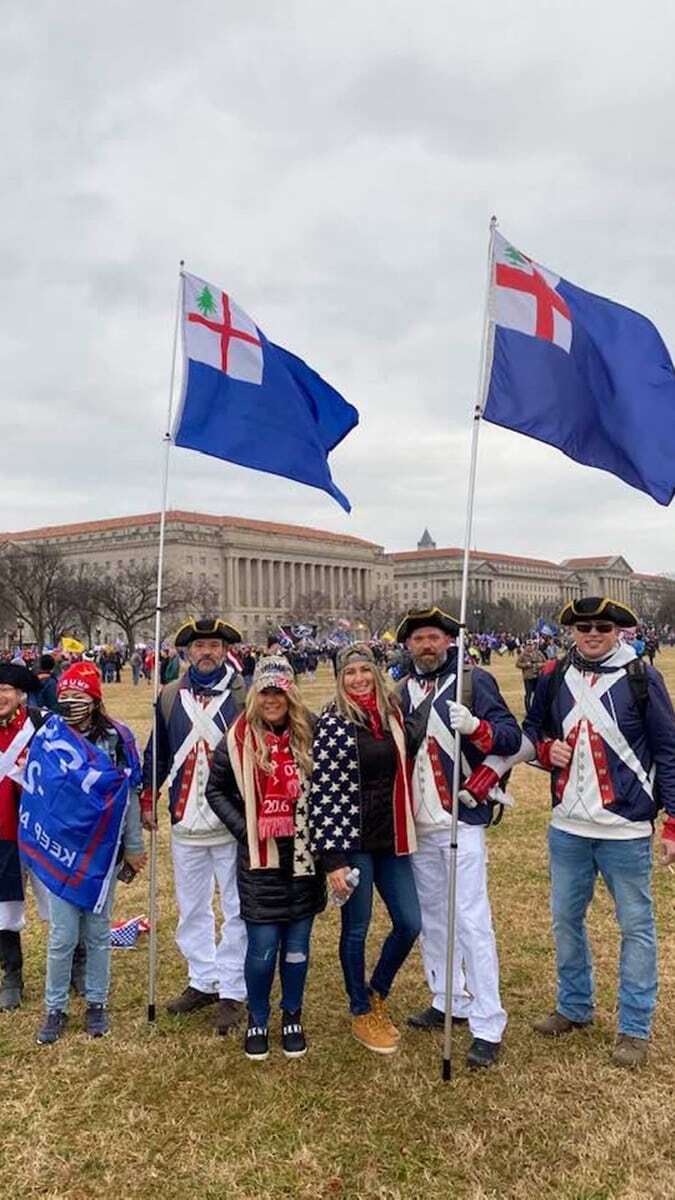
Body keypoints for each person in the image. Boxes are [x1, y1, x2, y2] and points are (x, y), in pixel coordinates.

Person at [519, 597, 675, 1068]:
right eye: (583, 627)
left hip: (624, 826)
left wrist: (673, 821)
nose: (592, 634)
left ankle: (634, 1026)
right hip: (567, 823)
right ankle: (574, 1005)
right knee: (566, 920)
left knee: (636, 928)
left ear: (619, 631)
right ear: (571, 631)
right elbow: (533, 732)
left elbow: (668, 751)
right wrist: (547, 751)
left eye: (602, 627)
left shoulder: (642, 678)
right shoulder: (552, 677)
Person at [396, 606, 521, 1070]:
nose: (426, 646)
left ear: (448, 642)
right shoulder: (400, 690)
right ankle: (449, 998)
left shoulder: (474, 682)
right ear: (408, 645)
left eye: (434, 638)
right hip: (417, 823)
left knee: (471, 919)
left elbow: (511, 738)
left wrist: (476, 728)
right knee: (434, 916)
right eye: (419, 639)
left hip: (459, 818)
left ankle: (488, 1022)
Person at [206, 656, 324, 1060]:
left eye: (280, 690)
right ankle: (258, 1015)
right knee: (262, 945)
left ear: (290, 692)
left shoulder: (310, 731)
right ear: (256, 693)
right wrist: (245, 828)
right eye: (266, 691)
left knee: (297, 946)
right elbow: (215, 790)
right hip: (260, 856)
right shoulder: (238, 737)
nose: (272, 698)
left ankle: (292, 1012)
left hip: (304, 854)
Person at [308, 644, 419, 1056]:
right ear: (340, 678)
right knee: (357, 926)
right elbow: (322, 791)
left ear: (376, 672)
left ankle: (377, 991)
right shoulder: (334, 721)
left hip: (390, 837)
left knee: (409, 921)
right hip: (352, 841)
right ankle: (359, 1006)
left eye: (364, 670)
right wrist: (332, 860)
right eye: (349, 672)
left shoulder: (392, 716)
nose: (358, 679)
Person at [141, 617, 248, 1034]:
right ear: (187, 653)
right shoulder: (169, 696)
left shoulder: (243, 695)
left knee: (236, 907)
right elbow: (159, 752)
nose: (207, 652)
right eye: (199, 646)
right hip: (186, 817)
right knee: (192, 906)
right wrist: (148, 798)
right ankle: (203, 978)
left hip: (231, 819)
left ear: (225, 651)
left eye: (214, 646)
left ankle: (233, 988)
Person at [35, 662, 145, 1044]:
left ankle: (97, 1002)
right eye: (64, 696)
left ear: (95, 699)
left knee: (98, 931)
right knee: (62, 935)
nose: (70, 703)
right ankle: (55, 1007)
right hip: (60, 849)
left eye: (78, 696)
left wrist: (134, 845)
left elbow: (128, 794)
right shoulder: (49, 736)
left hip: (102, 851)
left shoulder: (117, 740)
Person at [0, 664, 47, 1011]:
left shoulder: (43, 726)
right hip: (2, 832)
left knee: (58, 902)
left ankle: (76, 963)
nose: (0, 696)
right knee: (4, 907)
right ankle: (12, 973)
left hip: (42, 831)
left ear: (20, 694)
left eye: (6, 688)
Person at [515, 640, 546, 711]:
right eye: (528, 645)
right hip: (528, 677)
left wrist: (540, 665)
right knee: (528, 694)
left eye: (531, 645)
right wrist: (526, 665)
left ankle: (537, 709)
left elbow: (545, 662)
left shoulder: (538, 653)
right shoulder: (523, 654)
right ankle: (528, 710)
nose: (530, 647)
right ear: (526, 646)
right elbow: (517, 664)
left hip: (537, 676)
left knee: (538, 694)